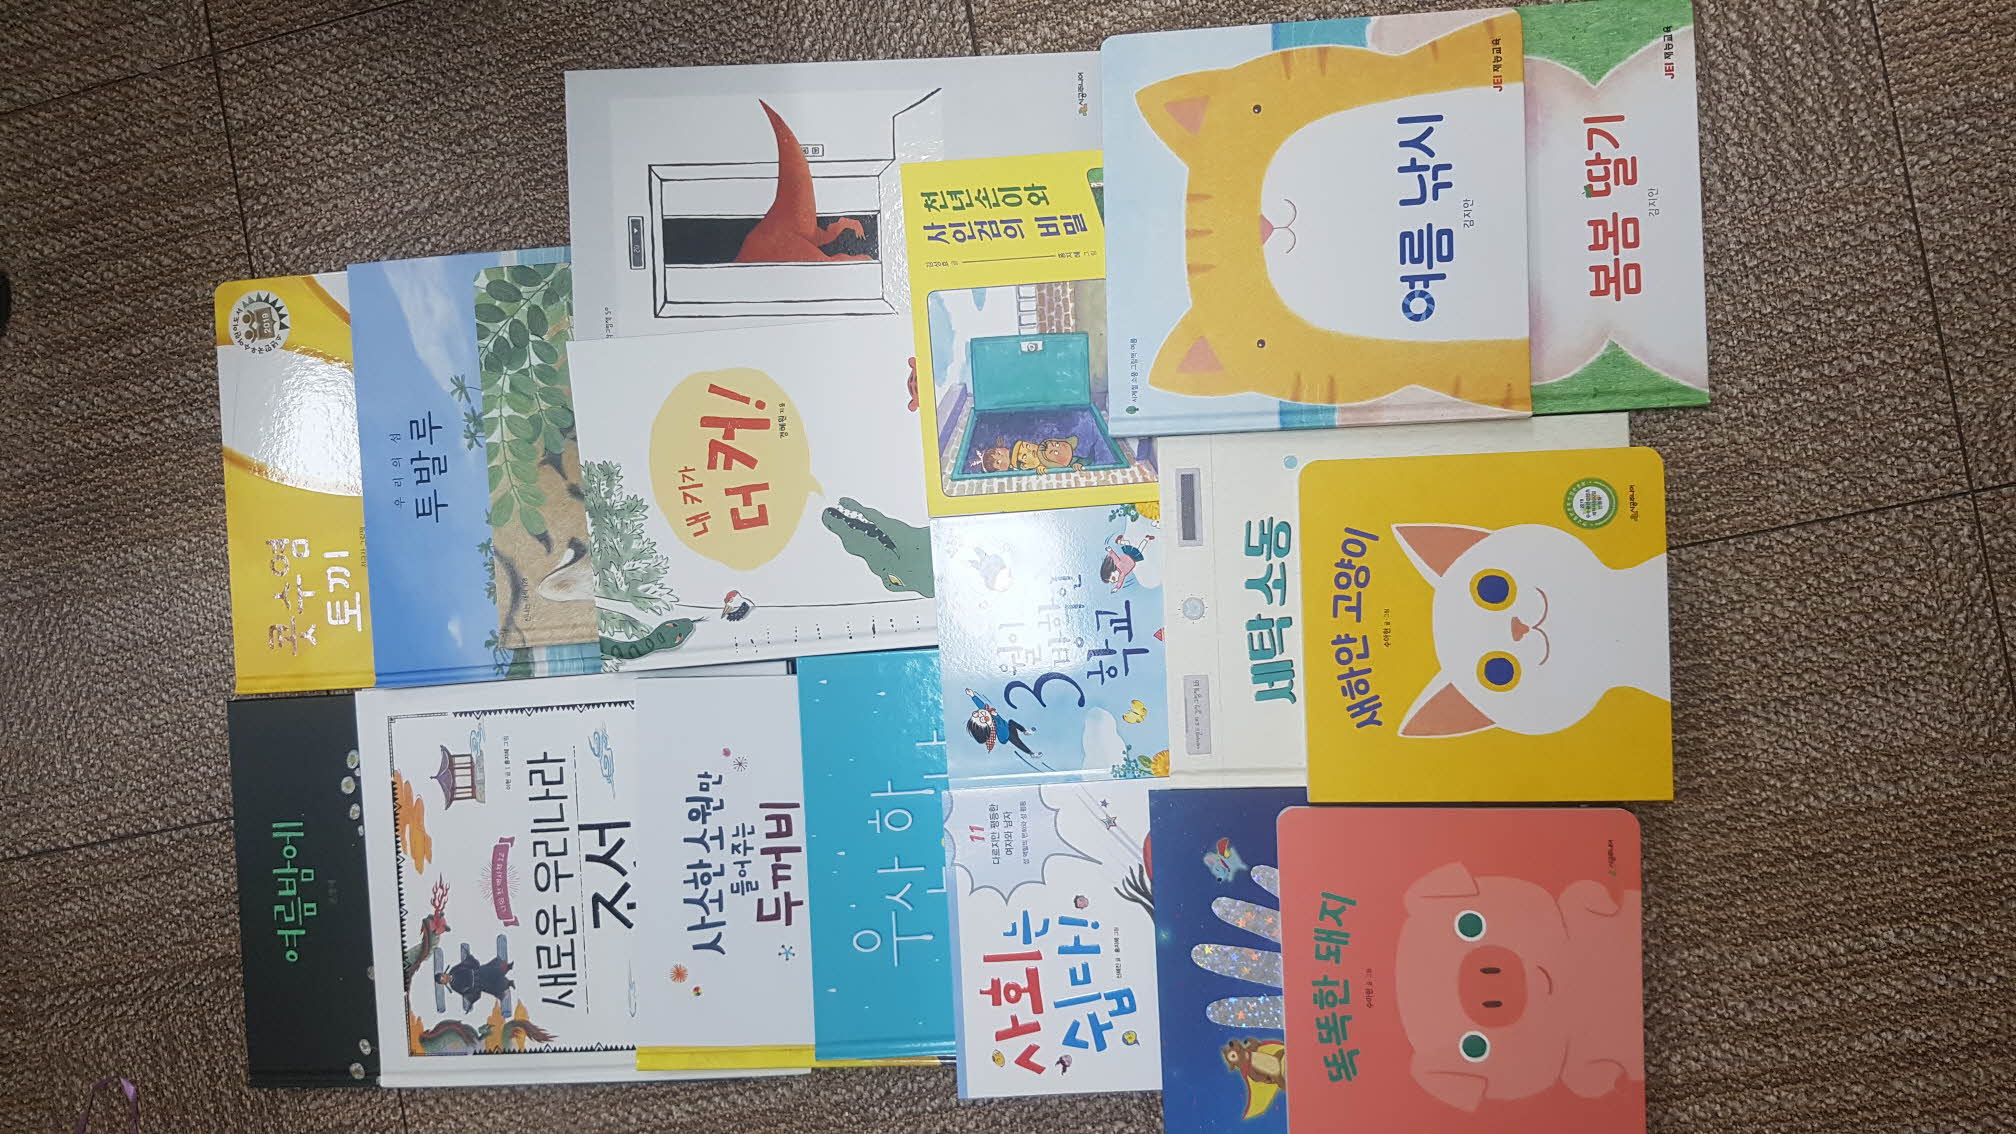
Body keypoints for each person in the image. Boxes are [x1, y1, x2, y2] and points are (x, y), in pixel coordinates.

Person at [964, 688, 1036, 756]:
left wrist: (972, 696)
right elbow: (1001, 727)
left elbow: (981, 705)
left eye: (977, 714)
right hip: (1006, 735)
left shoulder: (988, 713)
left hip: (1007, 726)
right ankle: (1031, 753)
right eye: (982, 719)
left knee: (1011, 722)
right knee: (1017, 741)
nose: (982, 714)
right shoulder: (994, 727)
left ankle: (1025, 731)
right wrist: (996, 716)